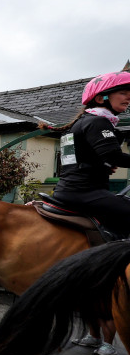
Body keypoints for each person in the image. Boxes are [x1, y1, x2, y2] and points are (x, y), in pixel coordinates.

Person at [52, 70, 130, 236]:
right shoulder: (98, 121)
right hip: (84, 193)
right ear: (101, 98)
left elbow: (78, 160)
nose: (128, 98)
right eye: (123, 93)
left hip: (70, 190)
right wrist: (108, 161)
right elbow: (113, 156)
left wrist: (102, 166)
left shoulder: (84, 122)